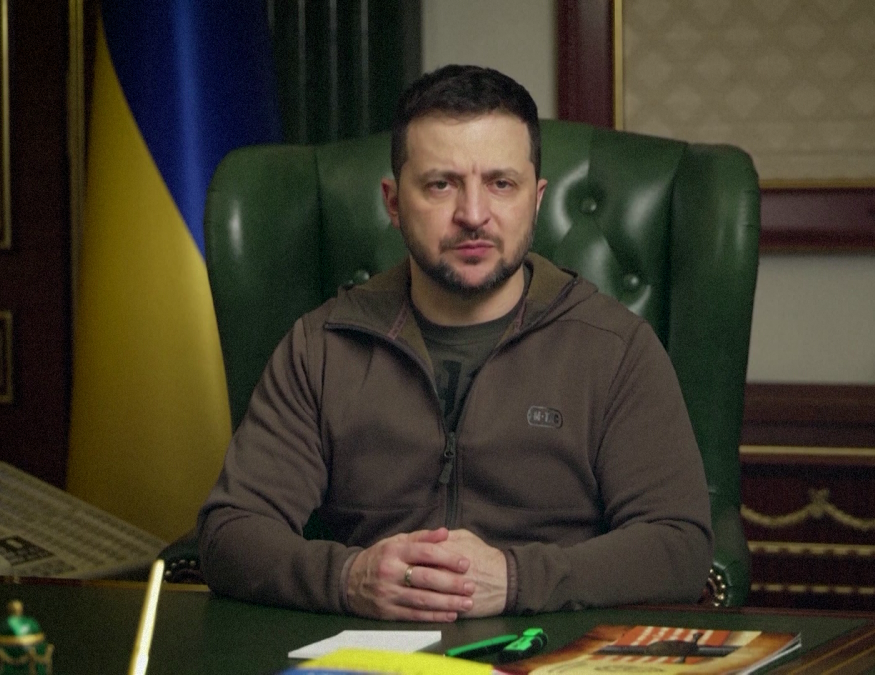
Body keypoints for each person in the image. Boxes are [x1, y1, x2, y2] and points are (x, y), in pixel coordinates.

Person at [197, 64, 713, 621]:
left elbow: (679, 547)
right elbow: (230, 533)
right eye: (440, 184)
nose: (473, 215)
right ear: (393, 203)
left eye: (501, 184)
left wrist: (515, 580)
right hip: (368, 646)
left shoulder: (616, 349)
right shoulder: (321, 346)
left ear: (537, 200)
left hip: (551, 643)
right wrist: (349, 578)